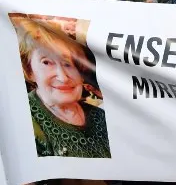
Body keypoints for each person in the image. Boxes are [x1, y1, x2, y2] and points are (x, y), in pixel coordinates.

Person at [12, 16, 110, 158]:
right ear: (29, 71)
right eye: (47, 63)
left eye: (67, 64)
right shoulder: (22, 120)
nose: (63, 77)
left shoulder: (100, 115)